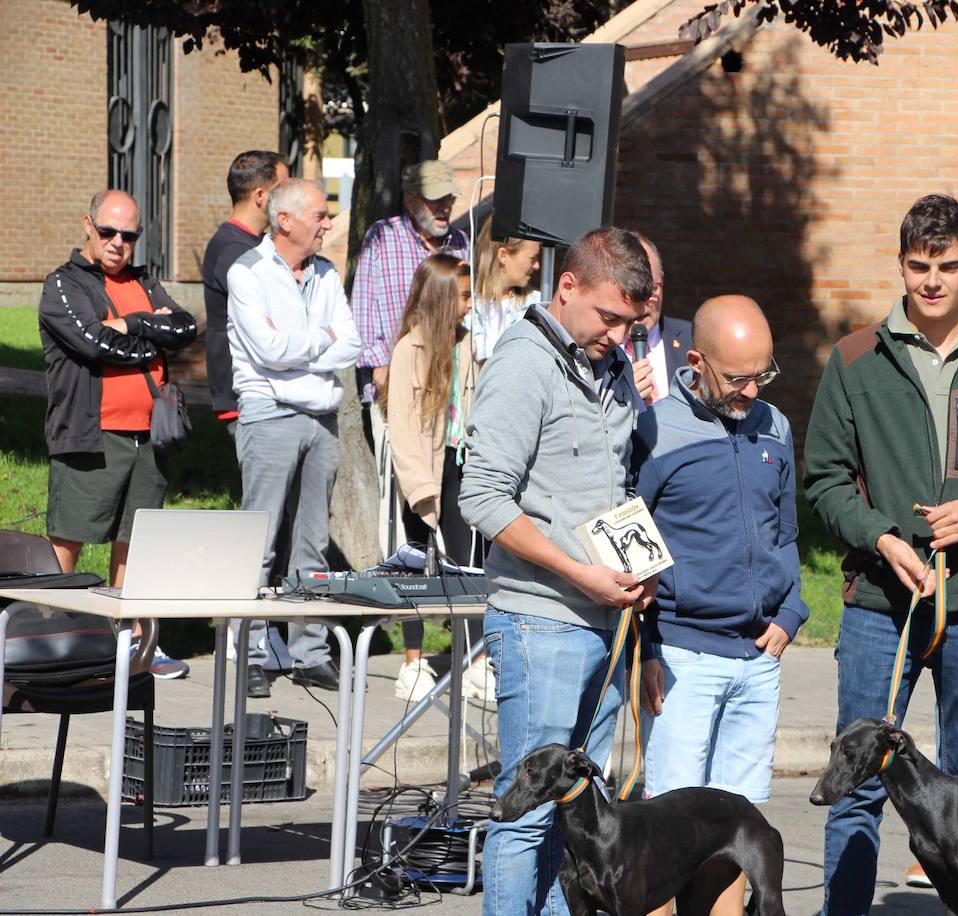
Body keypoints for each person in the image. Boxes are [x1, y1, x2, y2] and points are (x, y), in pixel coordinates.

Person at [805, 194, 958, 914]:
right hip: (880, 608)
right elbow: (823, 479)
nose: (933, 281)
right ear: (901, 264)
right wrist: (881, 536)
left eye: (948, 265)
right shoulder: (856, 357)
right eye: (919, 266)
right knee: (854, 787)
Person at [457, 226, 656, 916]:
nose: (619, 335)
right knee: (526, 813)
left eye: (632, 323)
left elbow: (611, 487)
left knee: (577, 814)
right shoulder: (523, 362)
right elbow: (480, 496)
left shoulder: (611, 366)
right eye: (609, 317)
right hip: (541, 618)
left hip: (605, 614)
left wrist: (638, 565)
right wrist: (579, 573)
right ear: (566, 286)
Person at [634, 295, 807, 916]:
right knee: (667, 832)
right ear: (695, 359)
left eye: (764, 373)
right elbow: (632, 547)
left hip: (758, 656)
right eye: (737, 377)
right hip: (680, 654)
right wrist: (647, 649)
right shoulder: (653, 429)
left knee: (735, 828)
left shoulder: (775, 426)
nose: (752, 389)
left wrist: (791, 614)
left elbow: (786, 532)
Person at [38, 189, 198, 679]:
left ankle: (132, 639)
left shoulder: (146, 284)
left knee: (137, 540)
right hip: (91, 434)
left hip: (150, 436)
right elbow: (91, 342)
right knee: (69, 538)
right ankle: (57, 637)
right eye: (107, 231)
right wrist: (151, 337)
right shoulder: (63, 285)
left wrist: (130, 322)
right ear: (87, 224)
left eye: (128, 235)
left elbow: (187, 329)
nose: (116, 243)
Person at [227, 178, 362, 698]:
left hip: (321, 420)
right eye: (321, 214)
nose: (328, 223)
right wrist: (317, 342)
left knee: (313, 543)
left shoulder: (326, 273)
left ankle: (309, 652)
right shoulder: (249, 273)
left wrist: (300, 349)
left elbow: (348, 343)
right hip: (269, 416)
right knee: (257, 543)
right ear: (285, 220)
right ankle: (250, 653)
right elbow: (265, 350)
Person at [384, 253, 477, 700]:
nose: (470, 303)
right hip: (423, 473)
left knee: (469, 565)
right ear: (442, 298)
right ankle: (414, 662)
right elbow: (401, 427)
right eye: (463, 295)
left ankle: (476, 659)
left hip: (463, 468)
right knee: (416, 568)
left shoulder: (468, 345)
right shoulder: (409, 350)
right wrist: (421, 490)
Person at [352, 159, 470, 411]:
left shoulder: (462, 242)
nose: (444, 207)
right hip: (395, 376)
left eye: (448, 199)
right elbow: (364, 307)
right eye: (434, 200)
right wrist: (379, 365)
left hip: (449, 378)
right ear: (410, 199)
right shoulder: (383, 236)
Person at [202, 150, 289, 430]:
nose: (290, 197)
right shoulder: (232, 249)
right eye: (284, 189)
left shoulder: (255, 243)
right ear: (261, 196)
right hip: (245, 396)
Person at [623, 231, 693, 407]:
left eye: (651, 289)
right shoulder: (594, 350)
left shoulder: (693, 339)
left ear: (661, 279)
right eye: (631, 292)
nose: (641, 303)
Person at [466, 216, 541, 362]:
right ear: (503, 256)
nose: (537, 265)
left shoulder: (537, 306)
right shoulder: (467, 306)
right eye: (532, 258)